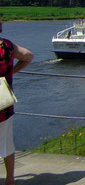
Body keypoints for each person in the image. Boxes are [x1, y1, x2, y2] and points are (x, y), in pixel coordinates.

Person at [0, 19, 34, 185]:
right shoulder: (6, 46)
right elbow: (28, 56)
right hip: (3, 103)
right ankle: (10, 179)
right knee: (7, 143)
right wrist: (11, 71)